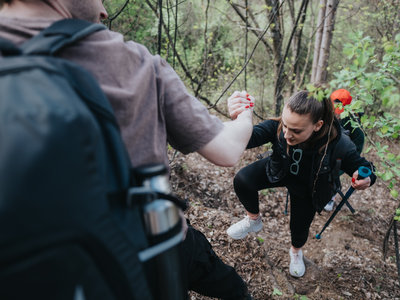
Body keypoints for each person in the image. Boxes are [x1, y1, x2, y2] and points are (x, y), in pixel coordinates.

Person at [0, 1, 255, 299]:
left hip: (43, 277)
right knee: (233, 288)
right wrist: (245, 115)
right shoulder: (137, 63)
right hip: (154, 251)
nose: (105, 10)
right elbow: (226, 150)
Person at [226, 90, 376, 278]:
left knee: (299, 228)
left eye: (296, 130)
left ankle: (296, 252)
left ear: (317, 125)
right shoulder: (281, 127)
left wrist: (366, 178)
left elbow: (365, 167)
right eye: (285, 125)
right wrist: (239, 122)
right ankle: (253, 220)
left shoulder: (339, 143)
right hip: (280, 169)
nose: (287, 134)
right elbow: (247, 138)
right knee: (243, 180)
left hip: (309, 187)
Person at [323, 88, 365, 211]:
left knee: (333, 175)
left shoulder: (355, 126)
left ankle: (331, 198)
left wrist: (344, 164)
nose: (336, 113)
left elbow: (357, 148)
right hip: (326, 151)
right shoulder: (326, 114)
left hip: (342, 157)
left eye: (339, 110)